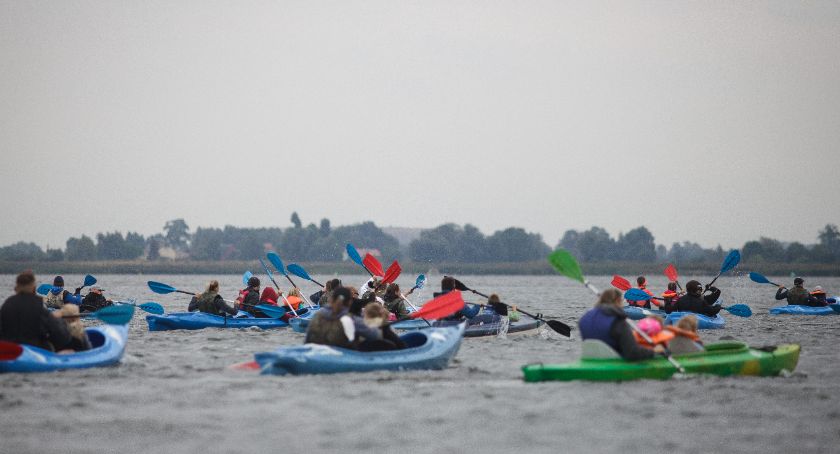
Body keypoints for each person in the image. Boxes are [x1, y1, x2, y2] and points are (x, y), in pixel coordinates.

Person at [578, 288, 664, 361]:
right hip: (613, 360)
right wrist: (654, 351)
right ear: (618, 301)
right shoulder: (618, 322)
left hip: (589, 358)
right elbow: (632, 353)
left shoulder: (584, 318)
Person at [0, 271, 72, 351]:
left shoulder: (6, 305)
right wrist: (60, 320)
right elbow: (62, 337)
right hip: (36, 351)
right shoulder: (39, 306)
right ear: (34, 288)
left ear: (16, 287)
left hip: (10, 350)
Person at [304, 287, 382, 349]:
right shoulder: (351, 319)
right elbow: (375, 335)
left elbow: (307, 340)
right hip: (339, 355)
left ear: (331, 299)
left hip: (315, 351)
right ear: (350, 302)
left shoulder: (318, 315)